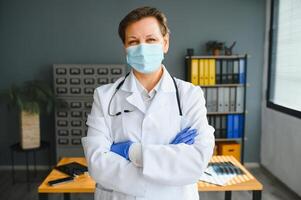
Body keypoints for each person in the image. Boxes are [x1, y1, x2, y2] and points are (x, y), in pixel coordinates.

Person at [82, 6, 215, 200]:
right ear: (125, 48)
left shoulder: (189, 95)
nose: (142, 48)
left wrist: (131, 151)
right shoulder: (104, 96)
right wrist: (169, 160)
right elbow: (97, 164)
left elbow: (196, 162)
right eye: (133, 41)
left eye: (151, 39)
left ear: (165, 43)